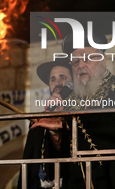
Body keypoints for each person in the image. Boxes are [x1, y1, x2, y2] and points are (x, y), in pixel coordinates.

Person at [31, 32, 115, 189]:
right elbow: (64, 153)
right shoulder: (70, 99)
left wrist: (68, 124)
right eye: (75, 62)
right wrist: (55, 132)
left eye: (86, 59)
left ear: (103, 60)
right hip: (78, 182)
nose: (80, 65)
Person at [17, 59, 73, 189]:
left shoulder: (81, 115)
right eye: (52, 79)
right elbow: (29, 161)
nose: (57, 83)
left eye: (63, 77)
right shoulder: (39, 120)